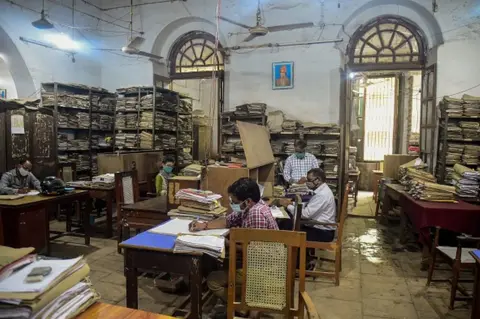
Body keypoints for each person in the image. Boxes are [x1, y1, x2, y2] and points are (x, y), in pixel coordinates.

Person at [189, 178, 278, 317]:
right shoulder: (250, 206)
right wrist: (205, 225)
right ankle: (238, 301)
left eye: (235, 202)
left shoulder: (256, 213)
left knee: (213, 280)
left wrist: (228, 243)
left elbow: (256, 251)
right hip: (255, 260)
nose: (232, 204)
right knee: (215, 262)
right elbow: (228, 220)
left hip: (263, 267)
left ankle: (239, 305)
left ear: (247, 201)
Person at [287, 168, 336, 266]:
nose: (307, 183)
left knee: (292, 231)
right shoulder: (321, 190)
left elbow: (305, 214)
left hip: (324, 232)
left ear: (317, 180)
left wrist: (287, 206)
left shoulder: (322, 195)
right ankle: (303, 260)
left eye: (309, 180)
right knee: (290, 224)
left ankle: (299, 266)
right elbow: (309, 206)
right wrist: (292, 203)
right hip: (320, 227)